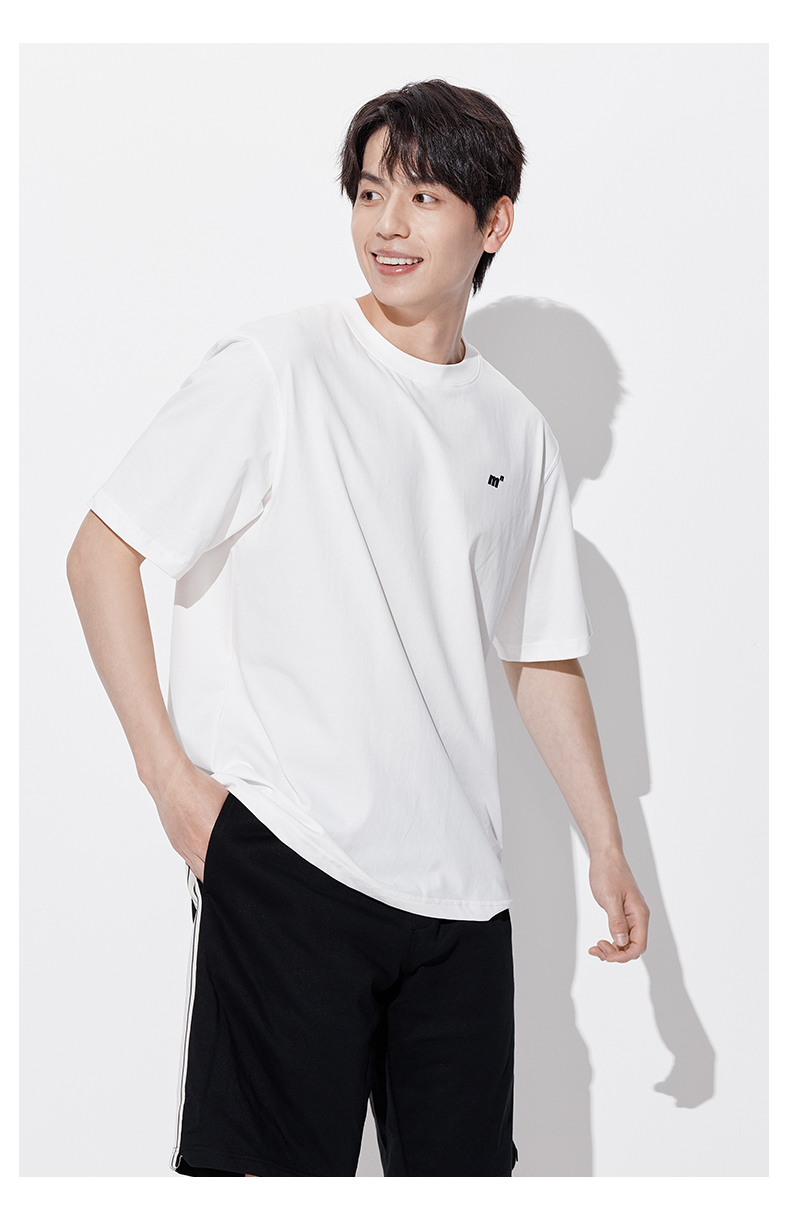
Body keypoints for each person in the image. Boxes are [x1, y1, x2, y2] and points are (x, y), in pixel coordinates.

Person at [66, 78, 649, 1178]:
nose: (388, 222)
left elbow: (537, 651)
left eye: (424, 195)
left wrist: (607, 847)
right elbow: (102, 552)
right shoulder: (275, 366)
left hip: (463, 897)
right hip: (292, 859)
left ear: (493, 222)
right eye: (371, 191)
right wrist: (173, 786)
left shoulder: (515, 430)